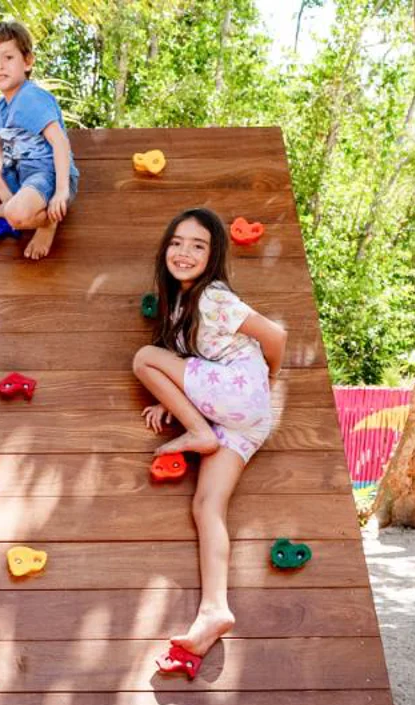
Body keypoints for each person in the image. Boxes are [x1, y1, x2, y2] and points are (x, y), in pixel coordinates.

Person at [132, 207, 288, 670]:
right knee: (206, 507)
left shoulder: (213, 296)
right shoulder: (182, 305)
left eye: (198, 246)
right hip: (244, 418)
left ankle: (198, 433)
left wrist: (267, 379)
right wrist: (174, 399)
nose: (184, 253)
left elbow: (275, 336)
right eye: (177, 243)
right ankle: (214, 611)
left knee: (144, 357)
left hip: (238, 397)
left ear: (213, 255)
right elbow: (194, 365)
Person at [0, 19, 79, 260]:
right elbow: (13, 143)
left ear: (27, 62)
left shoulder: (31, 97)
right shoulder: (0, 107)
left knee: (16, 214)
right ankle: (9, 204)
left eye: (8, 57)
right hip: (20, 174)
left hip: (47, 177)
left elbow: (60, 142)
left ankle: (48, 222)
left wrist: (61, 192)